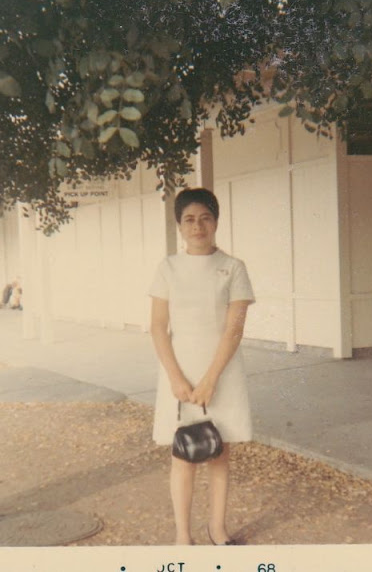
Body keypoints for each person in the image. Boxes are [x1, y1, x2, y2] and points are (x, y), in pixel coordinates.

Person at [148, 187, 255, 546]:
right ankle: (183, 536)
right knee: (183, 454)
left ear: (216, 222)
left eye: (205, 218)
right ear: (180, 226)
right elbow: (158, 327)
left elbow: (234, 329)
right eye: (190, 219)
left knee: (219, 452)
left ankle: (217, 529)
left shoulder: (233, 268)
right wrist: (176, 378)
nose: (198, 226)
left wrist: (210, 380)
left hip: (221, 371)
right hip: (179, 372)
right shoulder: (167, 268)